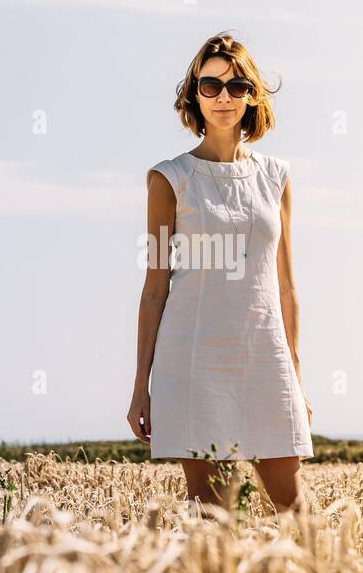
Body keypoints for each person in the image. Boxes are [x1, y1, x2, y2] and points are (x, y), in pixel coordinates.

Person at [128, 31, 313, 514]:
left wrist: (297, 373)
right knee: (215, 518)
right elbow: (154, 290)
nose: (223, 97)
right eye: (210, 86)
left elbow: (288, 284)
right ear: (194, 94)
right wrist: (140, 388)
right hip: (193, 361)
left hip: (265, 356)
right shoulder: (169, 179)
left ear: (252, 94)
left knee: (299, 514)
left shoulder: (277, 176)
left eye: (235, 86)